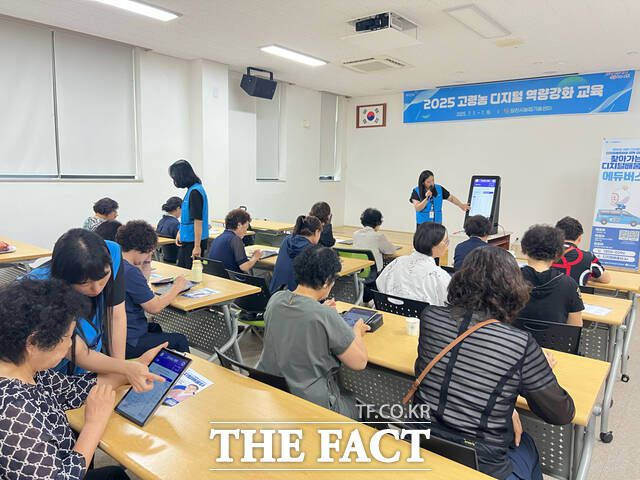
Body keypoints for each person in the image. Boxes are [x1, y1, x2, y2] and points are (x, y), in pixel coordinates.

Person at [410, 247, 575, 480]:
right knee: (526, 444)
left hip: (422, 440)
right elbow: (561, 413)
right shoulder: (519, 343)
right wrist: (539, 368)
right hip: (481, 462)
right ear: (514, 289)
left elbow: (458, 366)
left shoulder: (430, 316)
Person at [0, 280, 165, 479]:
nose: (70, 346)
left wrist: (133, 367)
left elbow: (75, 389)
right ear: (33, 343)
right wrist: (94, 424)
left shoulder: (27, 370)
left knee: (114, 475)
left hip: (61, 459)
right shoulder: (13, 412)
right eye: (67, 338)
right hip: (63, 470)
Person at [258, 246, 369, 418]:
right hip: (312, 405)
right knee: (363, 406)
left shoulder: (275, 300)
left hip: (274, 393)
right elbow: (359, 362)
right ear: (326, 282)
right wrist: (356, 331)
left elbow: (298, 319)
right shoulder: (325, 315)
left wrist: (320, 309)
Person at [28, 229, 130, 370]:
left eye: (103, 277)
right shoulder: (39, 289)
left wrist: (120, 367)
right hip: (52, 372)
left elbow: (116, 315)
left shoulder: (111, 253)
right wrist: (123, 369)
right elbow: (77, 352)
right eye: (84, 283)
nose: (97, 289)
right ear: (63, 278)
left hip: (90, 361)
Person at [116, 221, 190, 359]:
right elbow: (154, 307)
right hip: (129, 341)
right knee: (179, 340)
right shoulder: (130, 272)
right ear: (147, 248)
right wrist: (176, 288)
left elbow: (143, 282)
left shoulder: (117, 263)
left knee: (155, 328)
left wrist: (147, 261)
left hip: (117, 336)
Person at [520, 225, 583, 326]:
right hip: (555, 337)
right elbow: (575, 326)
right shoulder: (569, 284)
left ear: (524, 250)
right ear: (558, 254)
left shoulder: (509, 279)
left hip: (512, 336)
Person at [376, 223, 450, 305]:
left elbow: (379, 283)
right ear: (433, 244)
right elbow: (451, 299)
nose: (448, 245)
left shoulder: (398, 261)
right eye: (446, 241)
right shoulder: (437, 274)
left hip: (390, 311)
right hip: (422, 313)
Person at [169, 160, 209, 269]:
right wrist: (180, 232)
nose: (175, 181)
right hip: (187, 239)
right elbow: (187, 218)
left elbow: (198, 220)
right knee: (182, 270)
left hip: (194, 241)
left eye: (175, 178)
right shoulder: (191, 190)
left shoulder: (195, 192)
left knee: (191, 273)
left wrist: (197, 246)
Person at [269, 215, 322, 293]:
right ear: (317, 232)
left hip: (274, 294)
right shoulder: (312, 250)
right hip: (294, 297)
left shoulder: (286, 240)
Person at [553, 216, 611, 286]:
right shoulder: (588, 257)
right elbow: (606, 279)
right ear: (579, 238)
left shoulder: (544, 253)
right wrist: (587, 276)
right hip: (573, 293)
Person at [207, 208, 262, 273]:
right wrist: (255, 257)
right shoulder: (235, 239)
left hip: (215, 276)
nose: (245, 232)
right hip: (229, 277)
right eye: (246, 228)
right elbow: (244, 267)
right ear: (239, 225)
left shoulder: (218, 238)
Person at [156, 196, 182, 264]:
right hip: (174, 259)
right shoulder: (176, 224)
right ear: (178, 208)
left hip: (164, 257)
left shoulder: (161, 221)